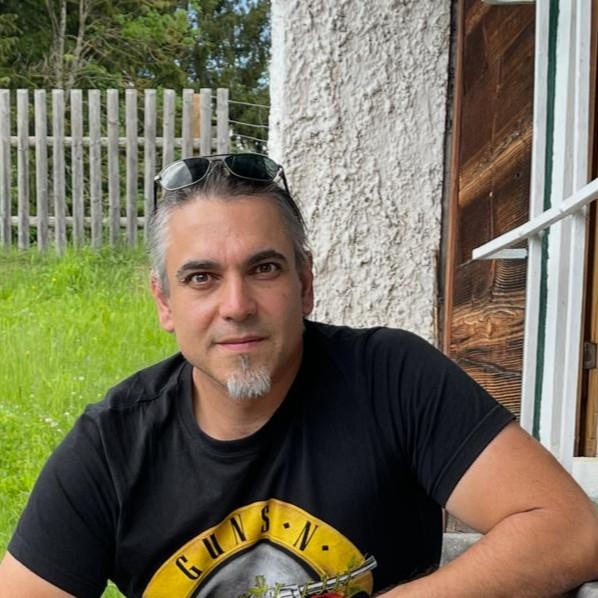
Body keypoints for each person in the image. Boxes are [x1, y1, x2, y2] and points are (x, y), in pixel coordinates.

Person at [1, 153, 597, 598]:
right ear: (164, 302)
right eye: (201, 278)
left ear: (305, 284)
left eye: (264, 268)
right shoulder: (113, 445)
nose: (237, 305)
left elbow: (570, 529)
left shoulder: (392, 379)